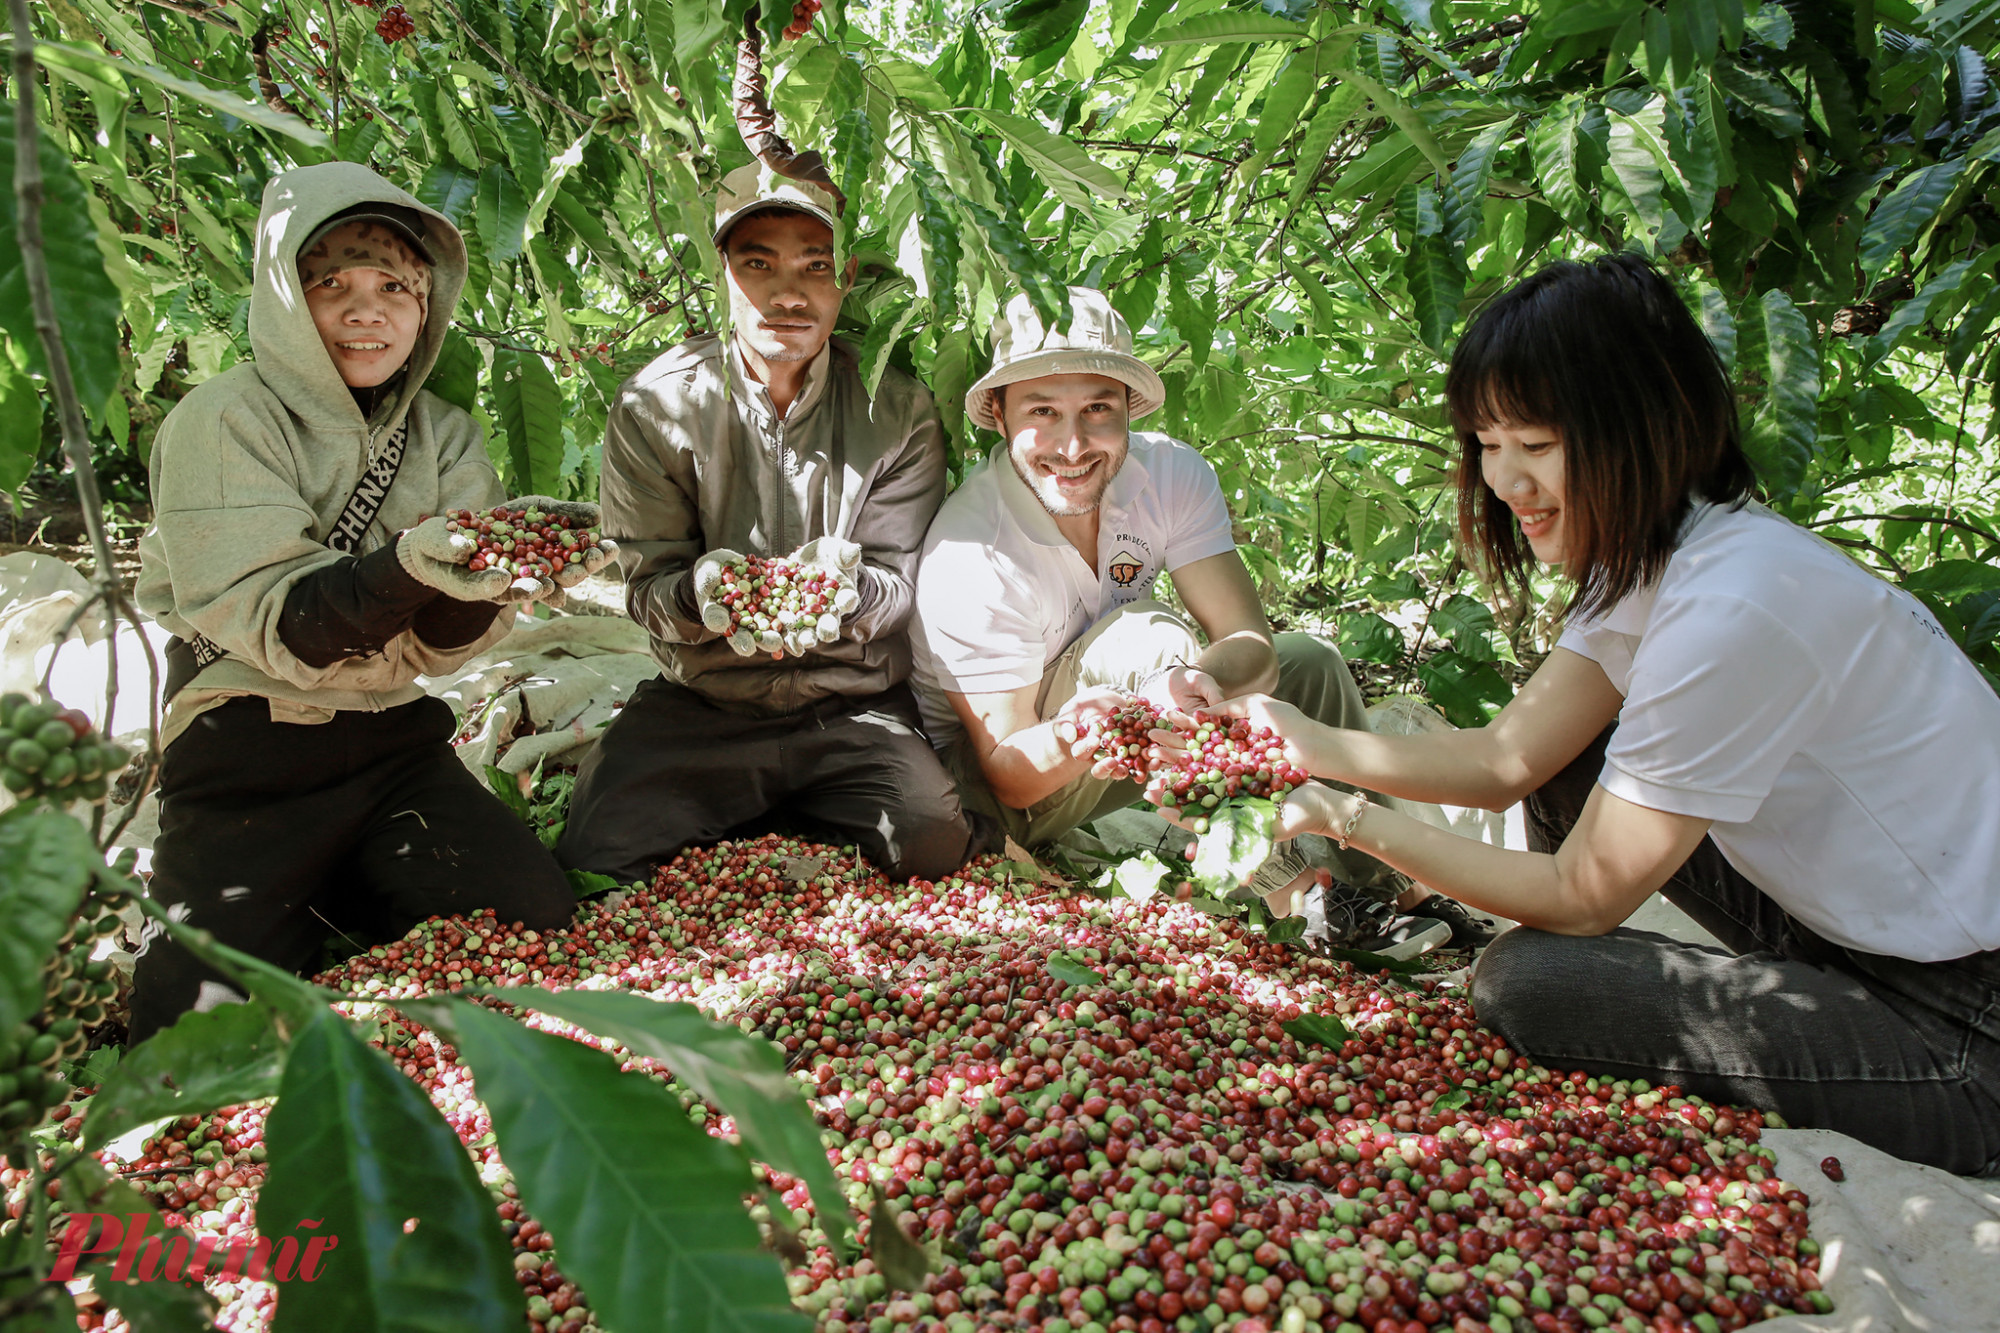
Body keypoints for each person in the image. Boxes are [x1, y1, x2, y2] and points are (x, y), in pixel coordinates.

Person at [1168, 254, 2000, 1174]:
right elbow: (1506, 760)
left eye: (1536, 441)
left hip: (1970, 1024)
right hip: (1849, 933)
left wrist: (1343, 818)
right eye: (1487, 442)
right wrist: (1304, 741)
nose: (1504, 480)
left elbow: (1584, 892)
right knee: (1577, 760)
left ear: (1643, 426)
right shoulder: (1656, 553)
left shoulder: (1735, 606)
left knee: (1530, 983)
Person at [132, 163, 602, 1041]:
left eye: (395, 286)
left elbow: (440, 646)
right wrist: (409, 565)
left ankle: (336, 879)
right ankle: (294, 884)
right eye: (330, 284)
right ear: (282, 297)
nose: (366, 309)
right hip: (249, 747)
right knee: (184, 1037)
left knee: (531, 924)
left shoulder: (444, 434)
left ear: (427, 307)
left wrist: (502, 574)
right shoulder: (225, 418)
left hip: (388, 745)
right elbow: (287, 627)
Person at [909, 287, 1494, 958]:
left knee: (1312, 662)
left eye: (1097, 409)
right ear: (1003, 418)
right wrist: (1112, 715)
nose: (1073, 444)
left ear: (1128, 411)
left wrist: (1178, 684)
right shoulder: (972, 552)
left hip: (1125, 733)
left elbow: (1253, 646)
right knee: (1146, 640)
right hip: (1012, 785)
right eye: (1043, 411)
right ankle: (1300, 900)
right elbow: (1008, 768)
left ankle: (1400, 888)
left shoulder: (1170, 475)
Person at [555, 165, 975, 885]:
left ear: (844, 279)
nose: (788, 294)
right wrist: (702, 595)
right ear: (723, 273)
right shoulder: (656, 407)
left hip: (854, 706)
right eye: (759, 264)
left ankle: (781, 807)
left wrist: (845, 593)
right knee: (596, 860)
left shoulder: (896, 411)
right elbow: (646, 586)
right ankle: (754, 802)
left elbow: (901, 586)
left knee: (933, 843)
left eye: (816, 266)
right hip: (707, 703)